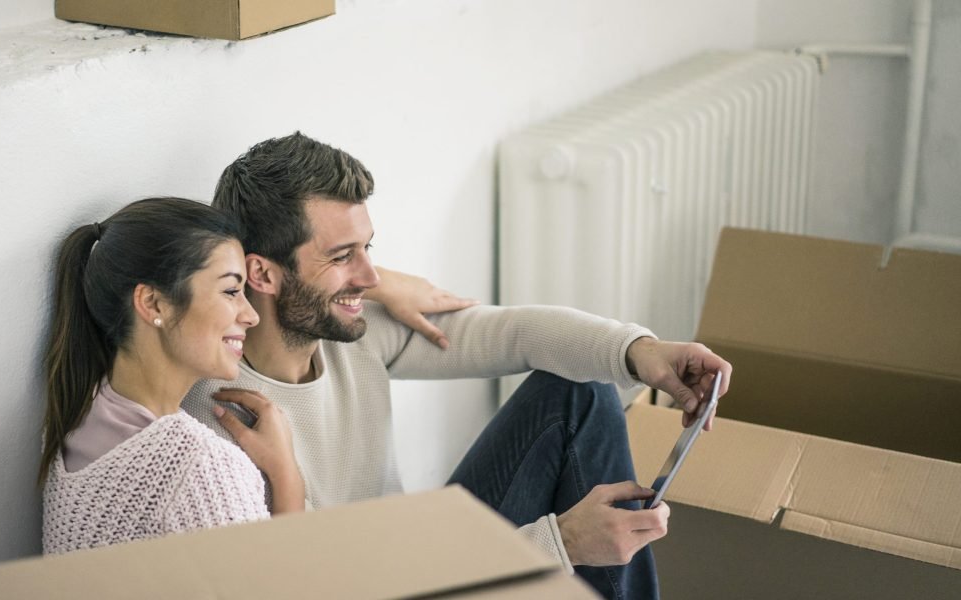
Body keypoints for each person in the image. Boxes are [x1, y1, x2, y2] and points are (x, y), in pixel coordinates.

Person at [182, 132, 733, 600]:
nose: (374, 277)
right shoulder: (222, 423)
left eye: (369, 248)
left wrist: (642, 353)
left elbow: (514, 333)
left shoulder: (350, 334)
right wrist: (560, 544)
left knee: (579, 394)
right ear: (262, 273)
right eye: (342, 255)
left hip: (421, 556)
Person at [38, 197, 304, 555]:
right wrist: (286, 476)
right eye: (230, 291)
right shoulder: (203, 468)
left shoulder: (76, 418)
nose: (250, 316)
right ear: (153, 304)